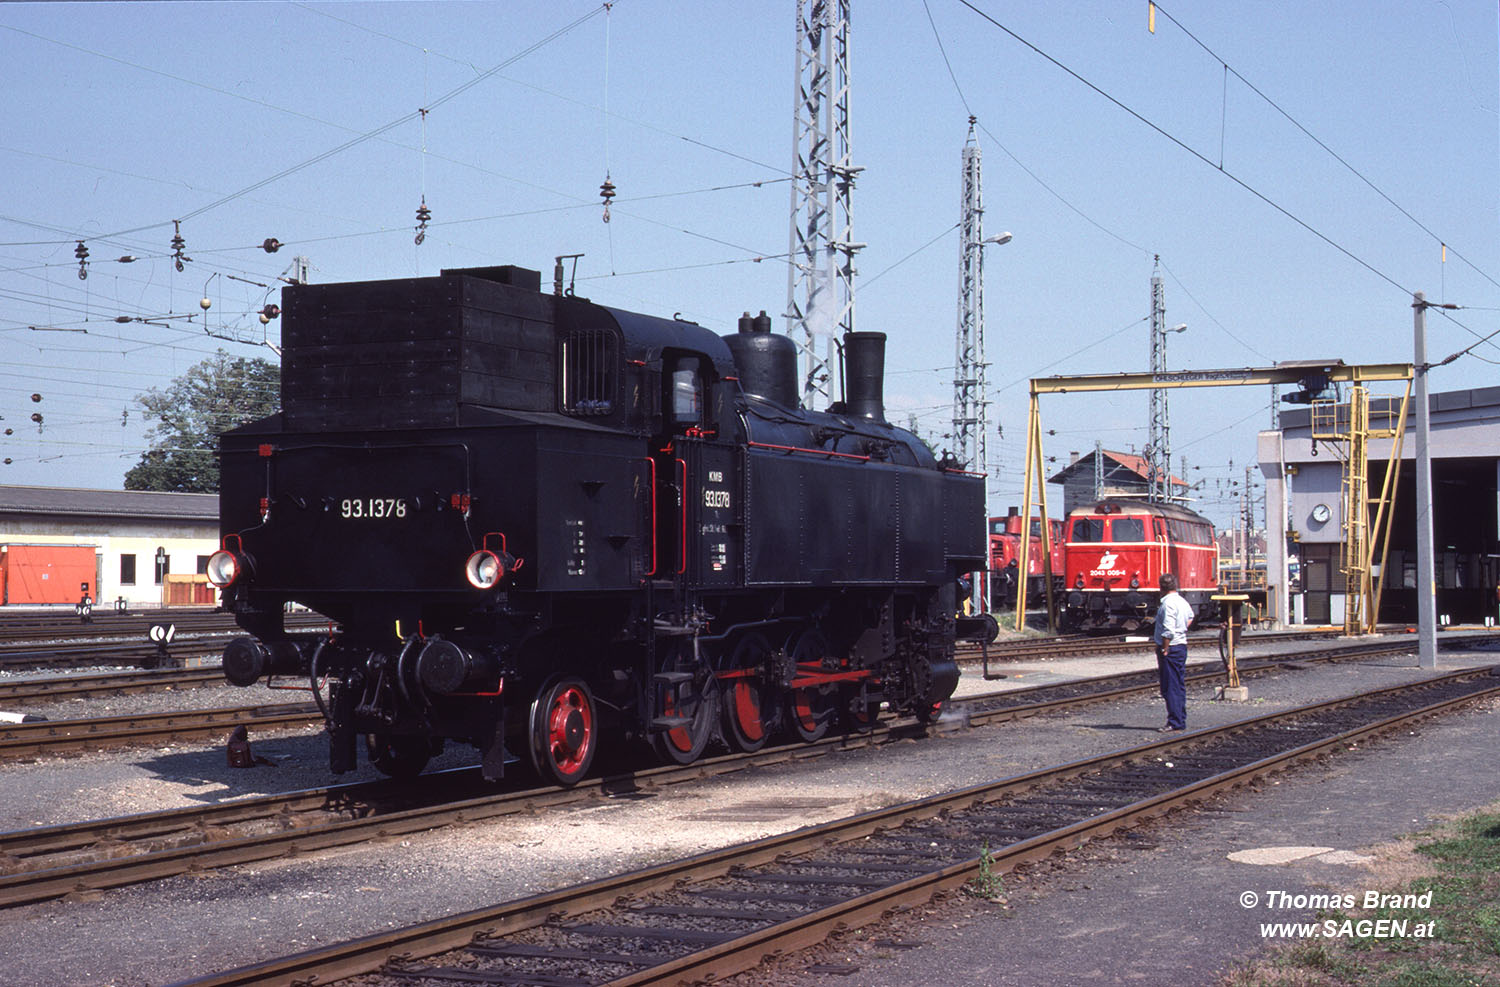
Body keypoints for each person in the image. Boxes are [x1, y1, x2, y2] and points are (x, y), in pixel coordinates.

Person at [1152, 572, 1194, 732]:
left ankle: (1175, 722)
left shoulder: (1168, 604)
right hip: (1180, 645)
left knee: (1171, 686)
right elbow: (1190, 616)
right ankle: (1179, 719)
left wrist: (1165, 647)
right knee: (1177, 684)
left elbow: (1168, 630)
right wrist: (1182, 629)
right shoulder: (1181, 601)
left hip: (1171, 648)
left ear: (1161, 587)